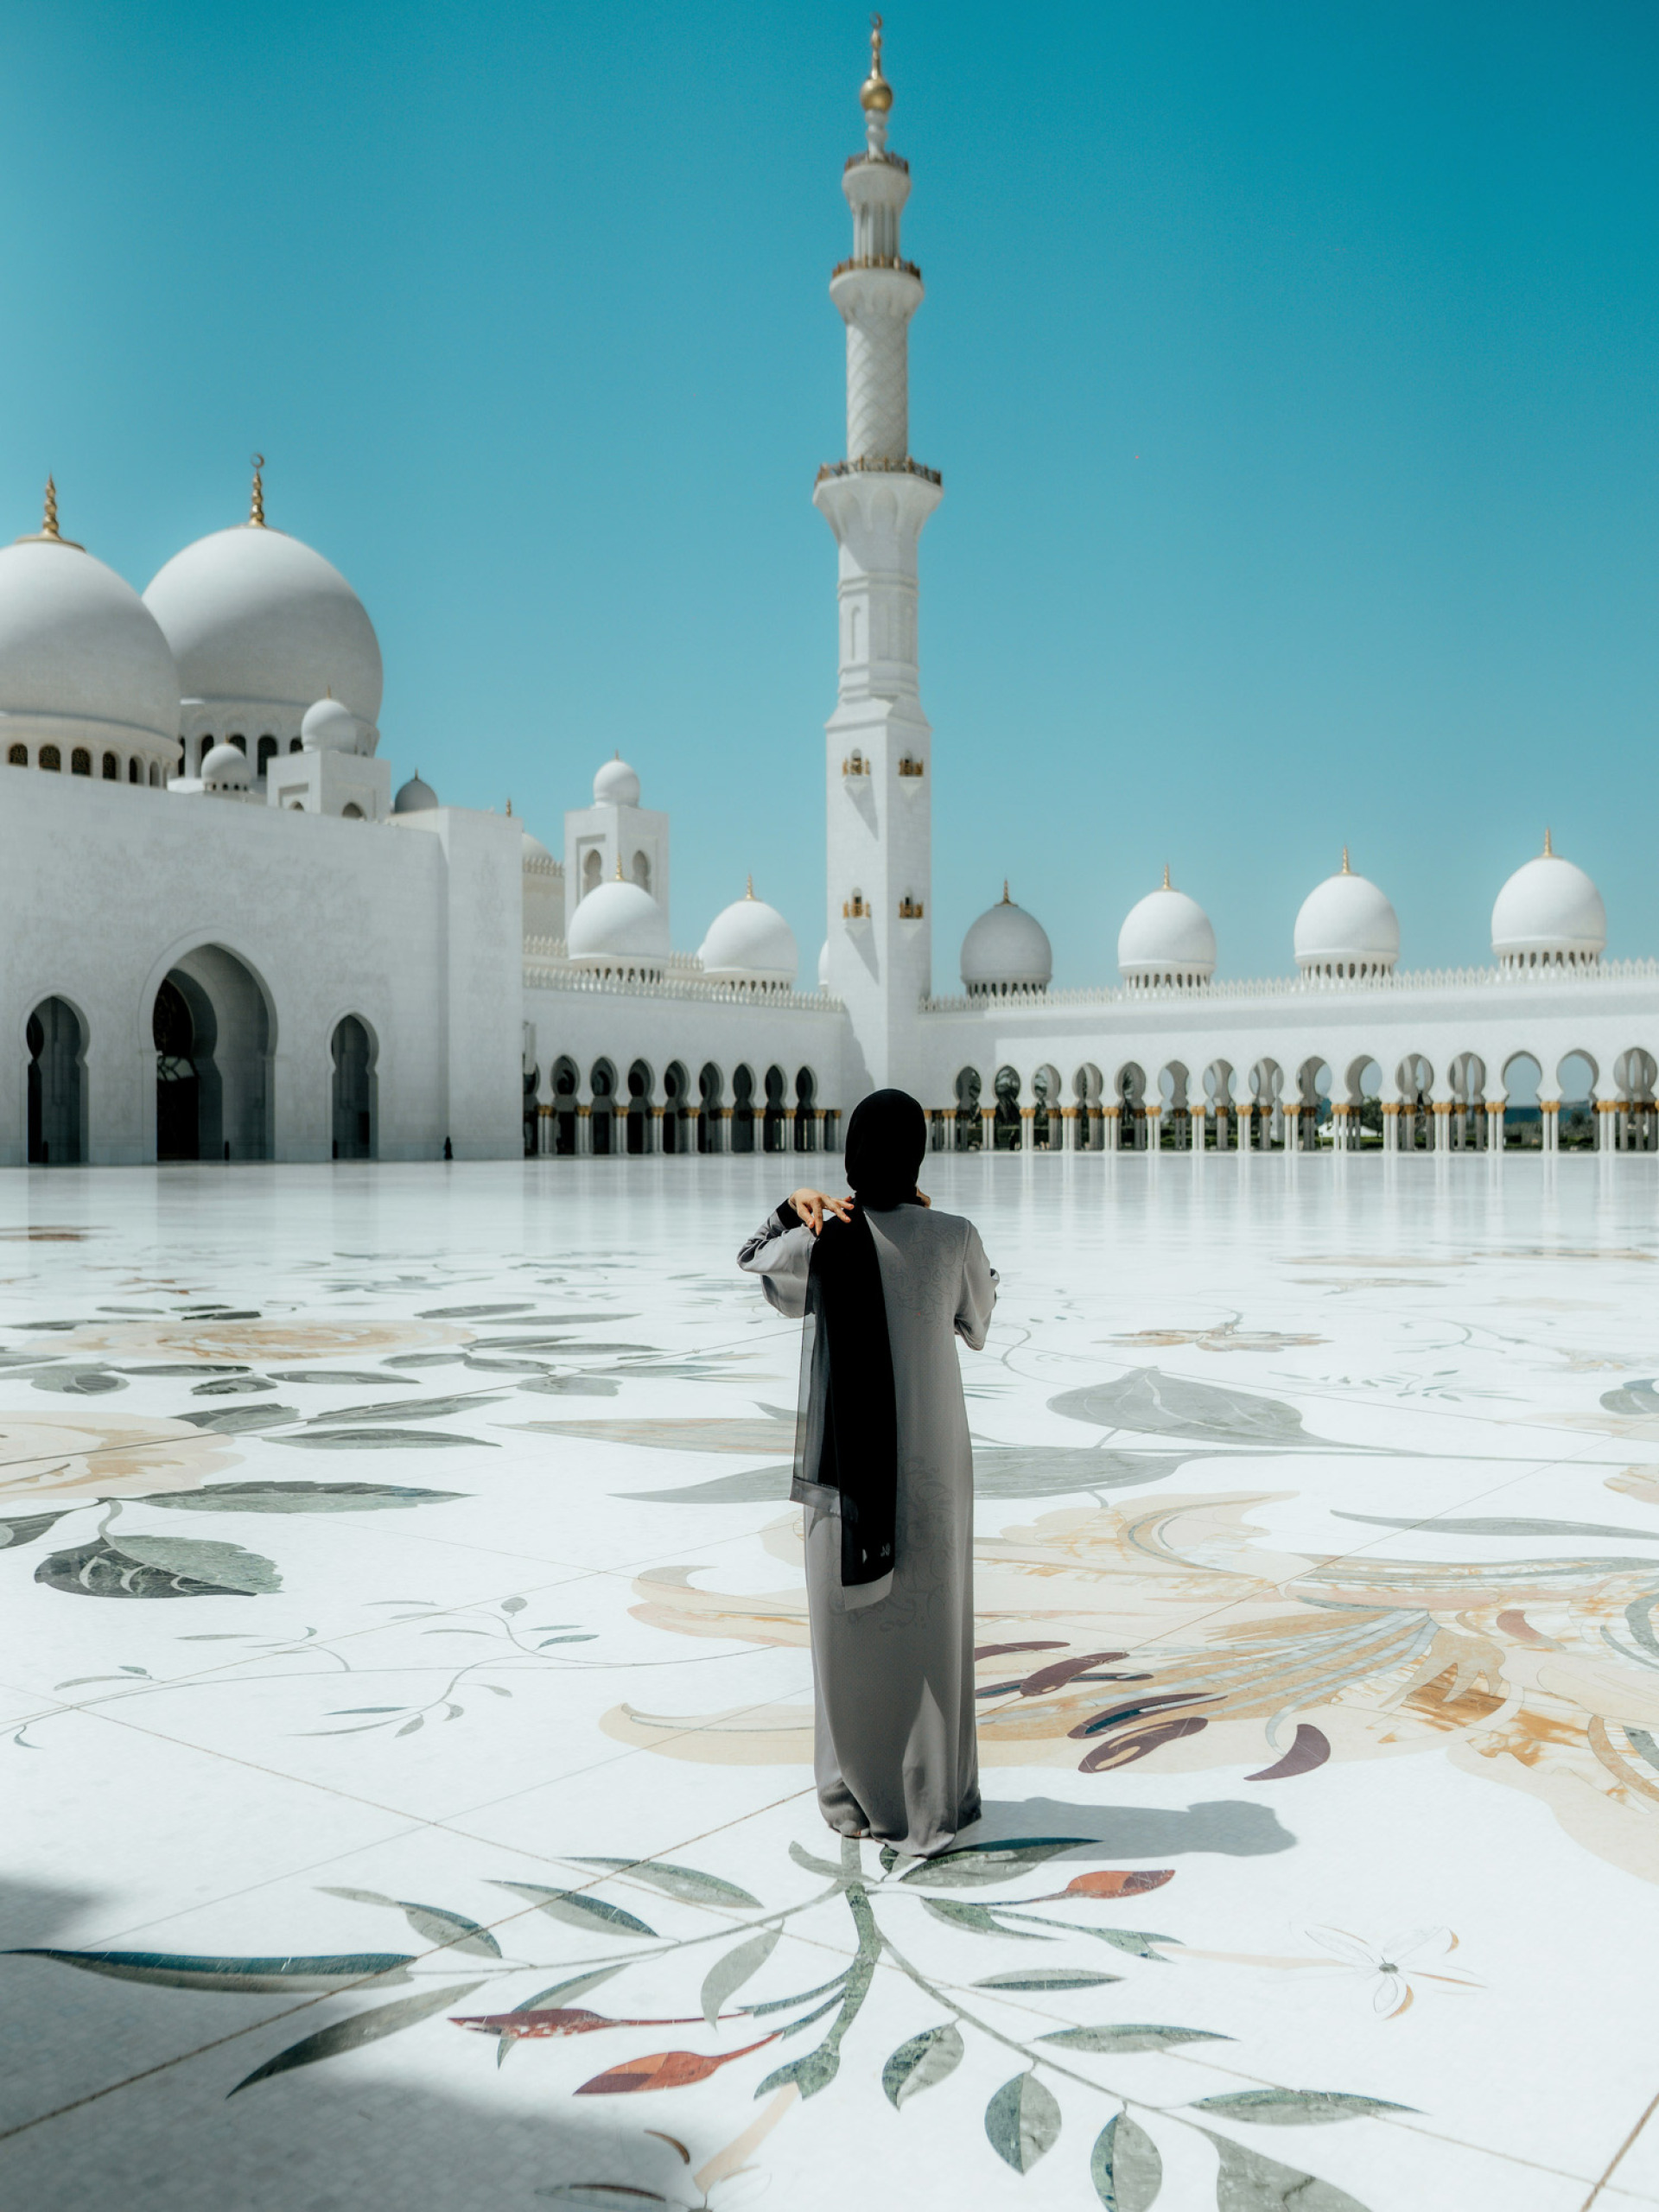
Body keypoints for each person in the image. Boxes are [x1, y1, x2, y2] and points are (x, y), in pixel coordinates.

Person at [737, 1088, 998, 1857]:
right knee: (932, 1631)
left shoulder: (824, 1240)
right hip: (935, 1471)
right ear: (917, 1157)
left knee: (849, 1628)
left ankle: (851, 1792)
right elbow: (978, 1318)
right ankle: (933, 1791)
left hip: (846, 1476)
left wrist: (794, 1207)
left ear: (852, 1157)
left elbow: (753, 1260)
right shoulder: (954, 1236)